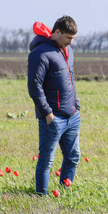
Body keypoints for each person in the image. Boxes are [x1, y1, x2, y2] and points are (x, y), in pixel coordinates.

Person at [27, 15, 81, 195]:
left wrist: (76, 105)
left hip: (72, 116)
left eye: (73, 39)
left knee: (73, 157)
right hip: (53, 118)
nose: (71, 43)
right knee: (46, 162)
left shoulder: (68, 51)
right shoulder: (40, 53)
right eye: (68, 38)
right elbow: (34, 86)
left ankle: (65, 192)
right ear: (57, 32)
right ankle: (41, 198)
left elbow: (70, 78)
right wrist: (48, 114)